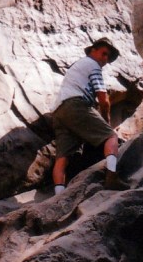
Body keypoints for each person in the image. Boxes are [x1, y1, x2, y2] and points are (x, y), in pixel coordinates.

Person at [51, 37, 129, 193]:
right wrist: (106, 121)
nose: (105, 59)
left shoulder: (77, 66)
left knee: (63, 156)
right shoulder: (92, 65)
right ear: (93, 50)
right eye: (104, 53)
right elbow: (103, 99)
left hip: (59, 111)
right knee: (111, 136)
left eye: (108, 57)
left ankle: (58, 196)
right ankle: (111, 177)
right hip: (76, 105)